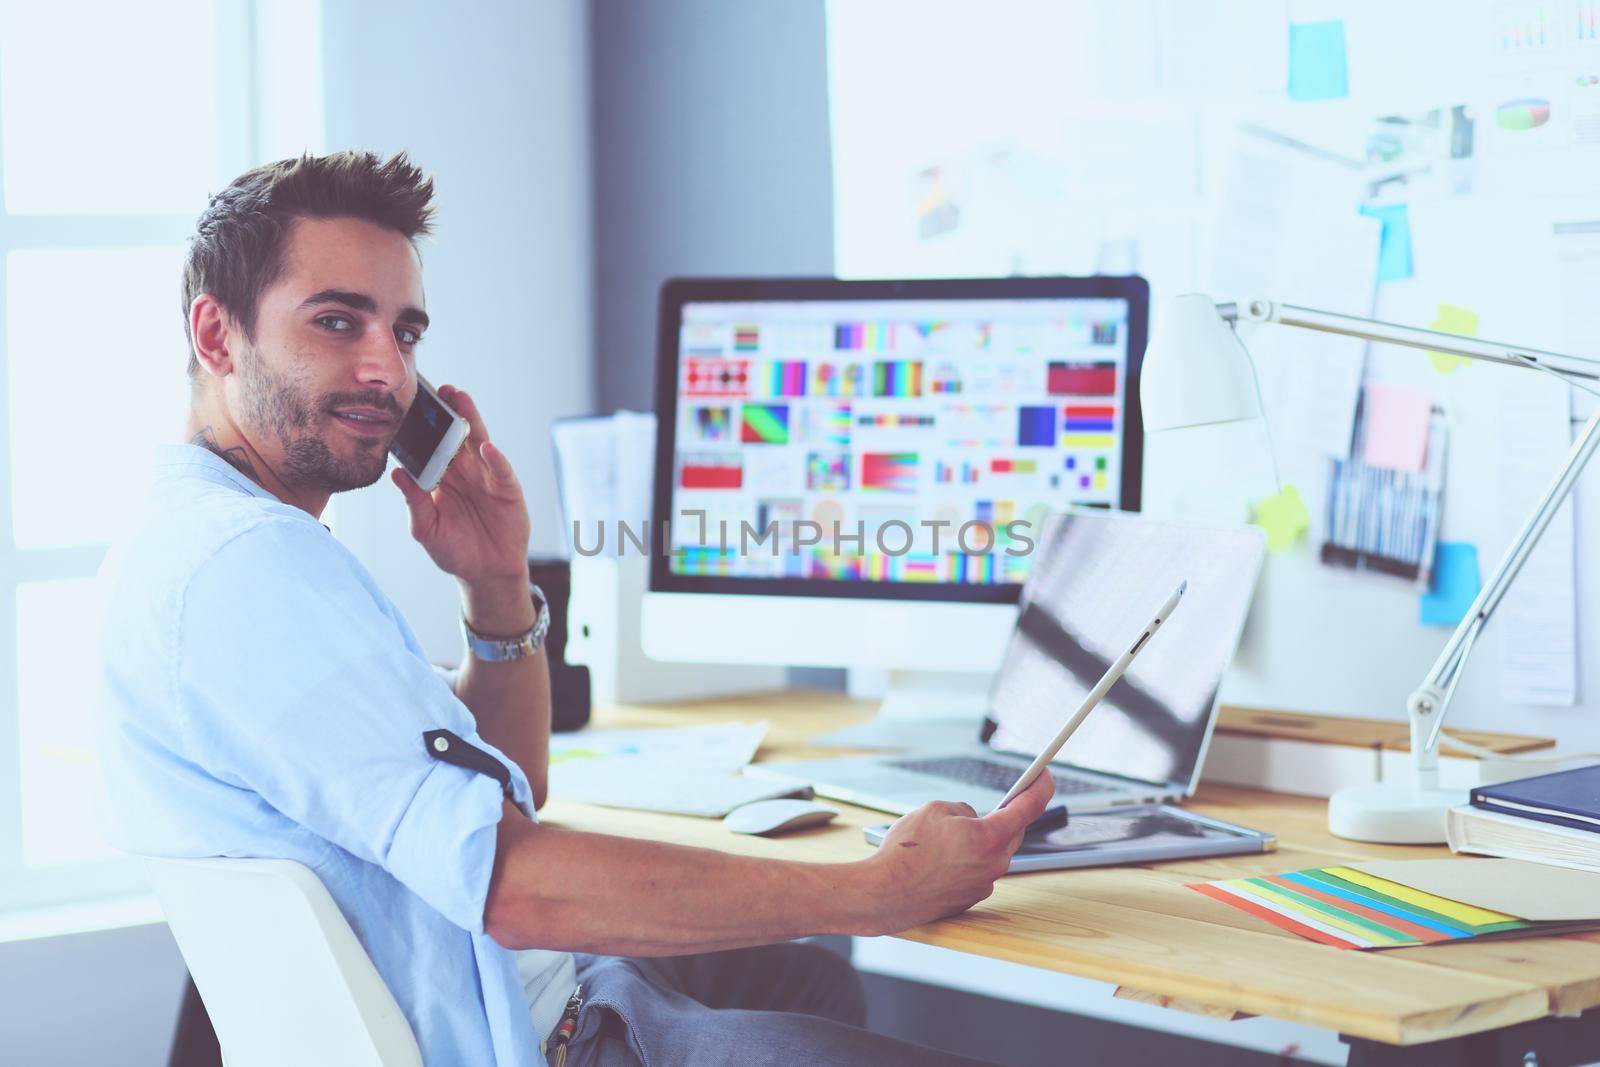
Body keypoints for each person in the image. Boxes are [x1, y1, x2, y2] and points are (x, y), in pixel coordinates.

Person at [95, 150, 1054, 1067]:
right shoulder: (249, 571)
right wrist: (876, 888)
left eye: (406, 331)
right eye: (339, 323)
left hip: (523, 992)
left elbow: (510, 793)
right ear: (218, 335)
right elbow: (510, 884)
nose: (389, 370)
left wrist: (496, 587)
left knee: (799, 977)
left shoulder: (211, 537)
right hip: (547, 1039)